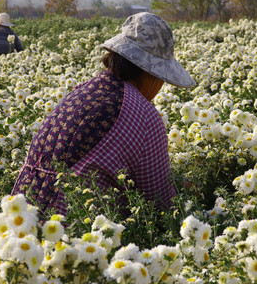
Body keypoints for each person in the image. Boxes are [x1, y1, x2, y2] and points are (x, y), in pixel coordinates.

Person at [11, 12, 195, 217]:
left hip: (20, 223)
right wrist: (188, 191)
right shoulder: (143, 115)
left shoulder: (83, 91)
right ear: (150, 72)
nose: (161, 85)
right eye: (162, 77)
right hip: (76, 235)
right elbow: (159, 202)